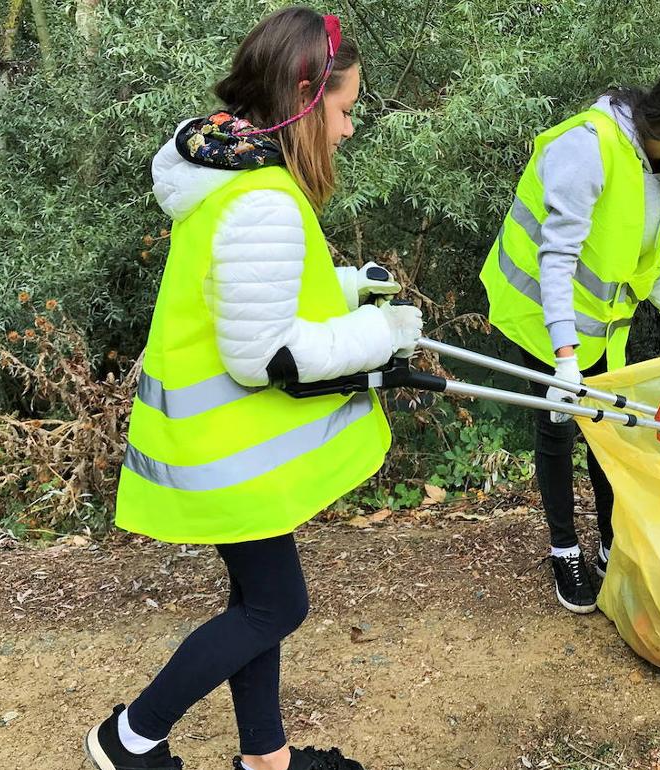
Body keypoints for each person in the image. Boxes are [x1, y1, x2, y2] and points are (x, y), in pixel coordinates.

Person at [85, 8, 421, 770]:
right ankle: (129, 738)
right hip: (229, 450)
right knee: (277, 605)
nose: (347, 130)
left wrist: (345, 287)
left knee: (258, 605)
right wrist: (383, 335)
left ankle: (265, 760)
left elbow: (249, 295)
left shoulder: (229, 176)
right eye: (344, 110)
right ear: (306, 95)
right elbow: (266, 352)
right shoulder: (263, 199)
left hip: (220, 445)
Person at [480, 48, 660, 614]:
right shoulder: (590, 147)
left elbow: (655, 274)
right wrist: (563, 358)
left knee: (609, 432)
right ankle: (565, 549)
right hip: (543, 317)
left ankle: (611, 543)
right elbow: (556, 258)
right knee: (559, 429)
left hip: (601, 331)